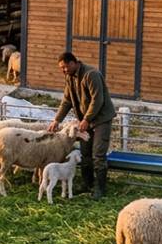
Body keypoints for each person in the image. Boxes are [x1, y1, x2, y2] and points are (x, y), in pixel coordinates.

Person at [47, 52, 116, 199]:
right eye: (61, 68)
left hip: (101, 119)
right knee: (85, 153)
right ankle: (87, 183)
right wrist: (57, 120)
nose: (63, 70)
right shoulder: (70, 77)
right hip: (86, 120)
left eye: (65, 67)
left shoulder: (91, 75)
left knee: (98, 153)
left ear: (73, 62)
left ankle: (100, 188)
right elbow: (67, 101)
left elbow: (97, 100)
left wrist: (86, 119)